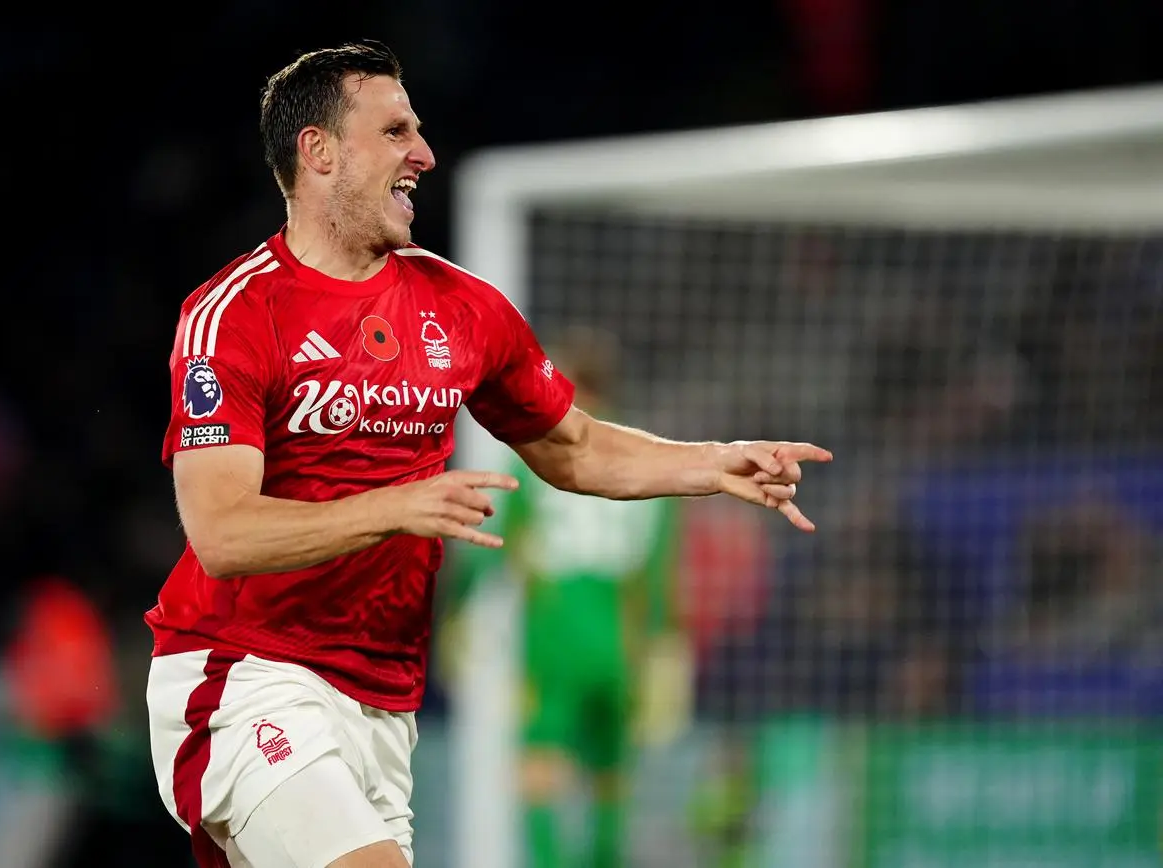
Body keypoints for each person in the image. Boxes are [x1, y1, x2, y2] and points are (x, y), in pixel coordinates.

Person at [143, 38, 832, 868]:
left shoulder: (462, 306)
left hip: (384, 702)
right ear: (318, 151)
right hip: (246, 675)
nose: (423, 155)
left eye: (420, 131)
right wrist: (393, 508)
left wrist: (711, 463)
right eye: (396, 131)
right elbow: (222, 532)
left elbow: (571, 445)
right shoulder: (236, 315)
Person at [446, 324, 689, 868]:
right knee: (611, 776)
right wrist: (663, 648)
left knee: (539, 769)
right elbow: (659, 577)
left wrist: (456, 610)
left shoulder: (540, 462)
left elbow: (492, 547)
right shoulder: (649, 466)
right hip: (620, 644)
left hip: (555, 639)